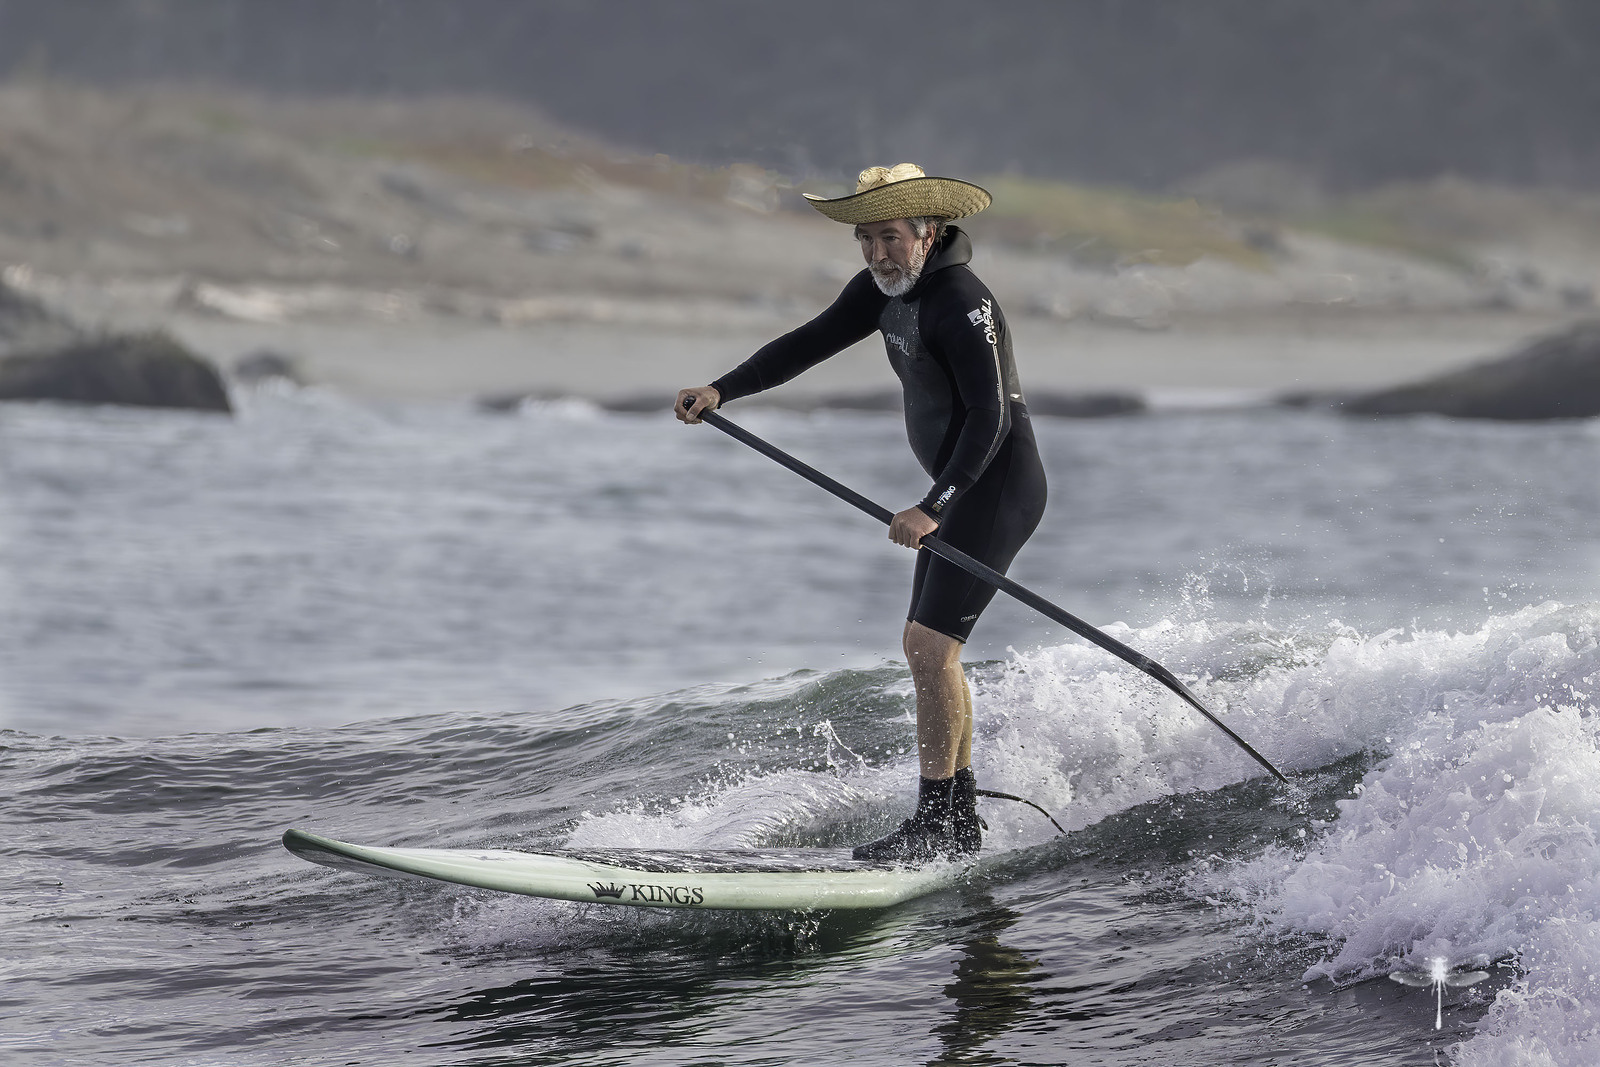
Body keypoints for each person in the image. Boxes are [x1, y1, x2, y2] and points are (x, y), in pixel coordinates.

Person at [676, 163, 1047, 863]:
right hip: (958, 492)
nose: (878, 254)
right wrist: (723, 389)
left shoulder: (963, 300)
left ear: (928, 234)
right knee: (929, 647)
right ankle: (956, 812)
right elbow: (806, 343)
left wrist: (935, 504)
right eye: (866, 240)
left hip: (993, 487)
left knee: (930, 648)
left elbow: (990, 417)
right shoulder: (881, 293)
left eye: (891, 238)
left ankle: (939, 821)